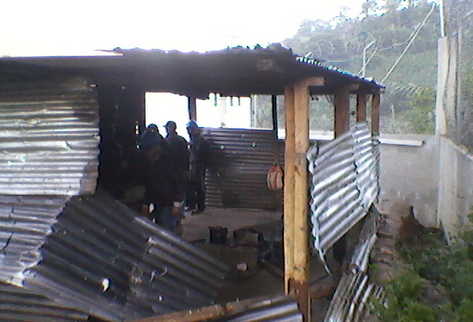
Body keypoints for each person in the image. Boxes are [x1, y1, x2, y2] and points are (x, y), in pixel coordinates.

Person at [140, 134, 184, 232]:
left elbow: (178, 183)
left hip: (170, 204)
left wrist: (177, 204)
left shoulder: (169, 162)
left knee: (168, 230)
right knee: (160, 228)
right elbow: (149, 184)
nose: (147, 153)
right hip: (158, 203)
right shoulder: (150, 163)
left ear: (157, 148)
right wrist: (146, 203)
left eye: (149, 149)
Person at [186, 120, 209, 213]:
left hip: (198, 166)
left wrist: (192, 147)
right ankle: (191, 205)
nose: (188, 131)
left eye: (189, 129)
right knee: (191, 186)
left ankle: (200, 207)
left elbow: (200, 153)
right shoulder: (193, 139)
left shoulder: (199, 139)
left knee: (199, 187)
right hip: (193, 165)